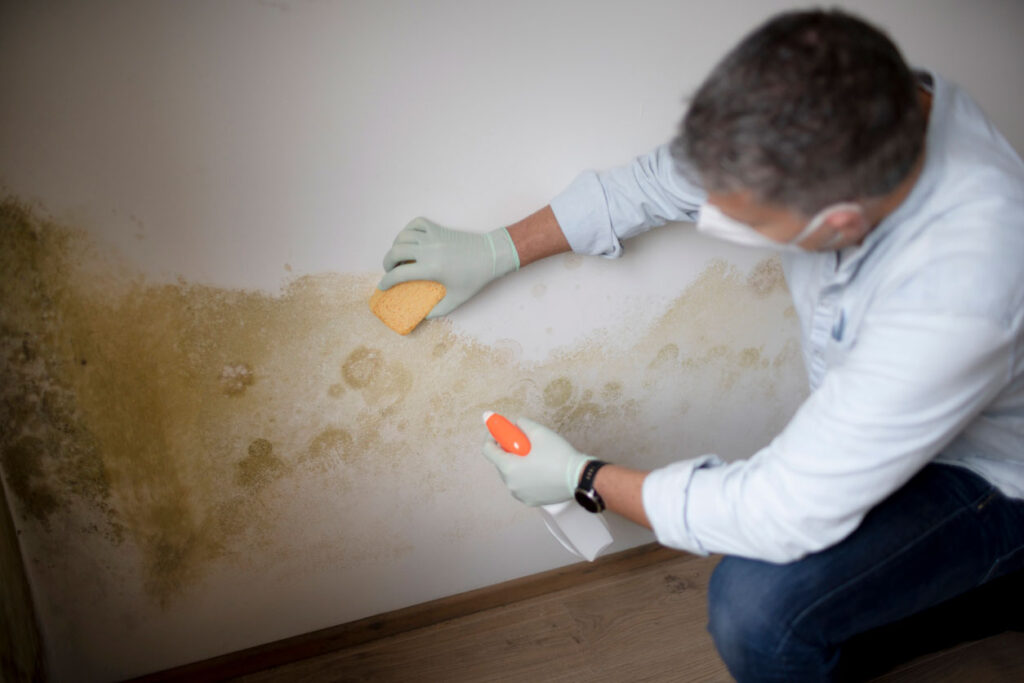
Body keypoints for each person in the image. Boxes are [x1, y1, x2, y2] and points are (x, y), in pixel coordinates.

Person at [378, 9, 1024, 681]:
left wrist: (583, 478)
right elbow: (655, 183)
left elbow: (778, 509)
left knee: (758, 611)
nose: (709, 209)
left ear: (840, 223)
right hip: (895, 415)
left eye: (749, 222)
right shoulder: (831, 107)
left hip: (990, 474)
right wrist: (496, 249)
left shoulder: (962, 284)